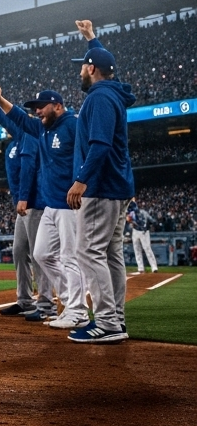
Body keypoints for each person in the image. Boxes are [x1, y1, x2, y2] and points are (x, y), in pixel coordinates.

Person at [0, 85, 88, 329]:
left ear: (57, 105)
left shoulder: (73, 125)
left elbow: (91, 151)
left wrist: (82, 182)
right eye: (35, 109)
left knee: (69, 257)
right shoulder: (42, 129)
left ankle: (78, 311)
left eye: (41, 107)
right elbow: (18, 118)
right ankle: (68, 303)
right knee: (42, 254)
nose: (37, 112)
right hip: (51, 205)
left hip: (69, 205)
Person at [66, 21, 136, 343]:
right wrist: (92, 39)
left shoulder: (99, 98)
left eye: (83, 65)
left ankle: (106, 322)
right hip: (117, 187)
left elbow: (100, 144)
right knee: (110, 255)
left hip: (102, 187)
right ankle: (116, 319)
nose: (80, 71)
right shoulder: (113, 91)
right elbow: (108, 65)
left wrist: (81, 180)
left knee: (87, 251)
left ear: (91, 69)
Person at [0, 85, 53, 320]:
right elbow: (5, 119)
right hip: (24, 207)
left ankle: (46, 303)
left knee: (39, 254)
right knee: (20, 251)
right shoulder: (19, 137)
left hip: (35, 203)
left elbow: (29, 167)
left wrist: (23, 198)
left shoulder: (29, 138)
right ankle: (25, 300)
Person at [127, 199, 158, 274]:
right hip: (136, 231)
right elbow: (128, 220)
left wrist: (148, 226)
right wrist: (130, 222)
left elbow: (152, 221)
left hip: (144, 232)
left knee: (147, 248)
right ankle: (140, 268)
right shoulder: (131, 213)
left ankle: (154, 267)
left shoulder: (144, 212)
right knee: (137, 249)